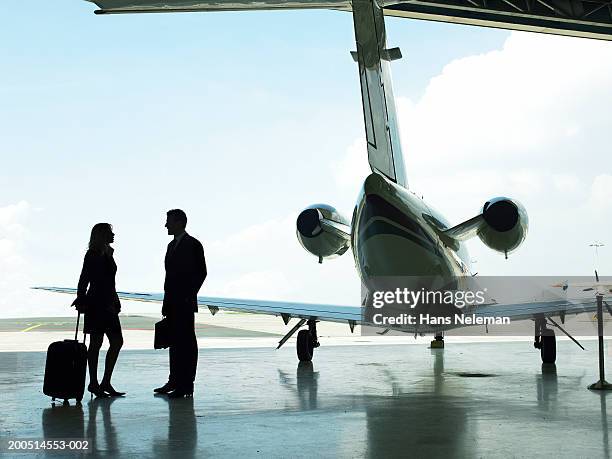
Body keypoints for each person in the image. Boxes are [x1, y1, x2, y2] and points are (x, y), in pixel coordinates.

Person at [154, 209, 207, 398]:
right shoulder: (171, 246)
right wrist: (166, 301)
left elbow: (202, 272)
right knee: (175, 342)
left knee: (187, 344)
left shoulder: (193, 245)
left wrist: (188, 295)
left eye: (168, 221)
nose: (165, 225)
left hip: (184, 302)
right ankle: (175, 380)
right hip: (172, 302)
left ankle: (186, 384)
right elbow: (169, 277)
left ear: (179, 222)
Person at [72, 223, 125, 398]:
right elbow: (83, 279)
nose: (114, 235)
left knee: (114, 342)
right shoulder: (92, 254)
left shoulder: (108, 253)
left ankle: (102, 382)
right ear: (102, 235)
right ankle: (95, 383)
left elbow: (110, 281)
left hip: (107, 303)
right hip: (97, 304)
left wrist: (115, 299)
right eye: (110, 233)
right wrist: (81, 299)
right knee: (98, 343)